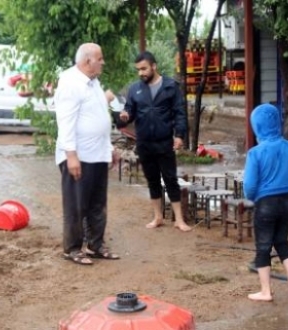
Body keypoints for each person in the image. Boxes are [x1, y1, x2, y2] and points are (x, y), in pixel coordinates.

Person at [54, 43, 120, 266]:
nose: (103, 62)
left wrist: (110, 149)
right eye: (99, 59)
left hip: (98, 154)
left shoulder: (93, 83)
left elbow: (100, 117)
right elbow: (65, 123)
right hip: (79, 156)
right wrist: (71, 155)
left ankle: (96, 245)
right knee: (76, 204)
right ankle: (72, 248)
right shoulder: (70, 83)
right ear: (87, 61)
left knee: (97, 204)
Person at [119, 51, 192, 232]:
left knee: (170, 179)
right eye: (138, 70)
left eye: (144, 68)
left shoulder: (170, 87)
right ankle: (158, 217)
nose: (141, 73)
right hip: (144, 142)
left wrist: (179, 135)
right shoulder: (134, 89)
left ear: (154, 66)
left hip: (164, 141)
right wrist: (125, 116)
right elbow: (129, 112)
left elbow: (179, 113)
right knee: (151, 180)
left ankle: (179, 220)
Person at [243, 103, 288, 302]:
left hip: (266, 203)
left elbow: (250, 185)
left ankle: (265, 291)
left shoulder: (255, 153)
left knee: (263, 247)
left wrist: (253, 198)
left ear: (257, 127)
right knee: (281, 241)